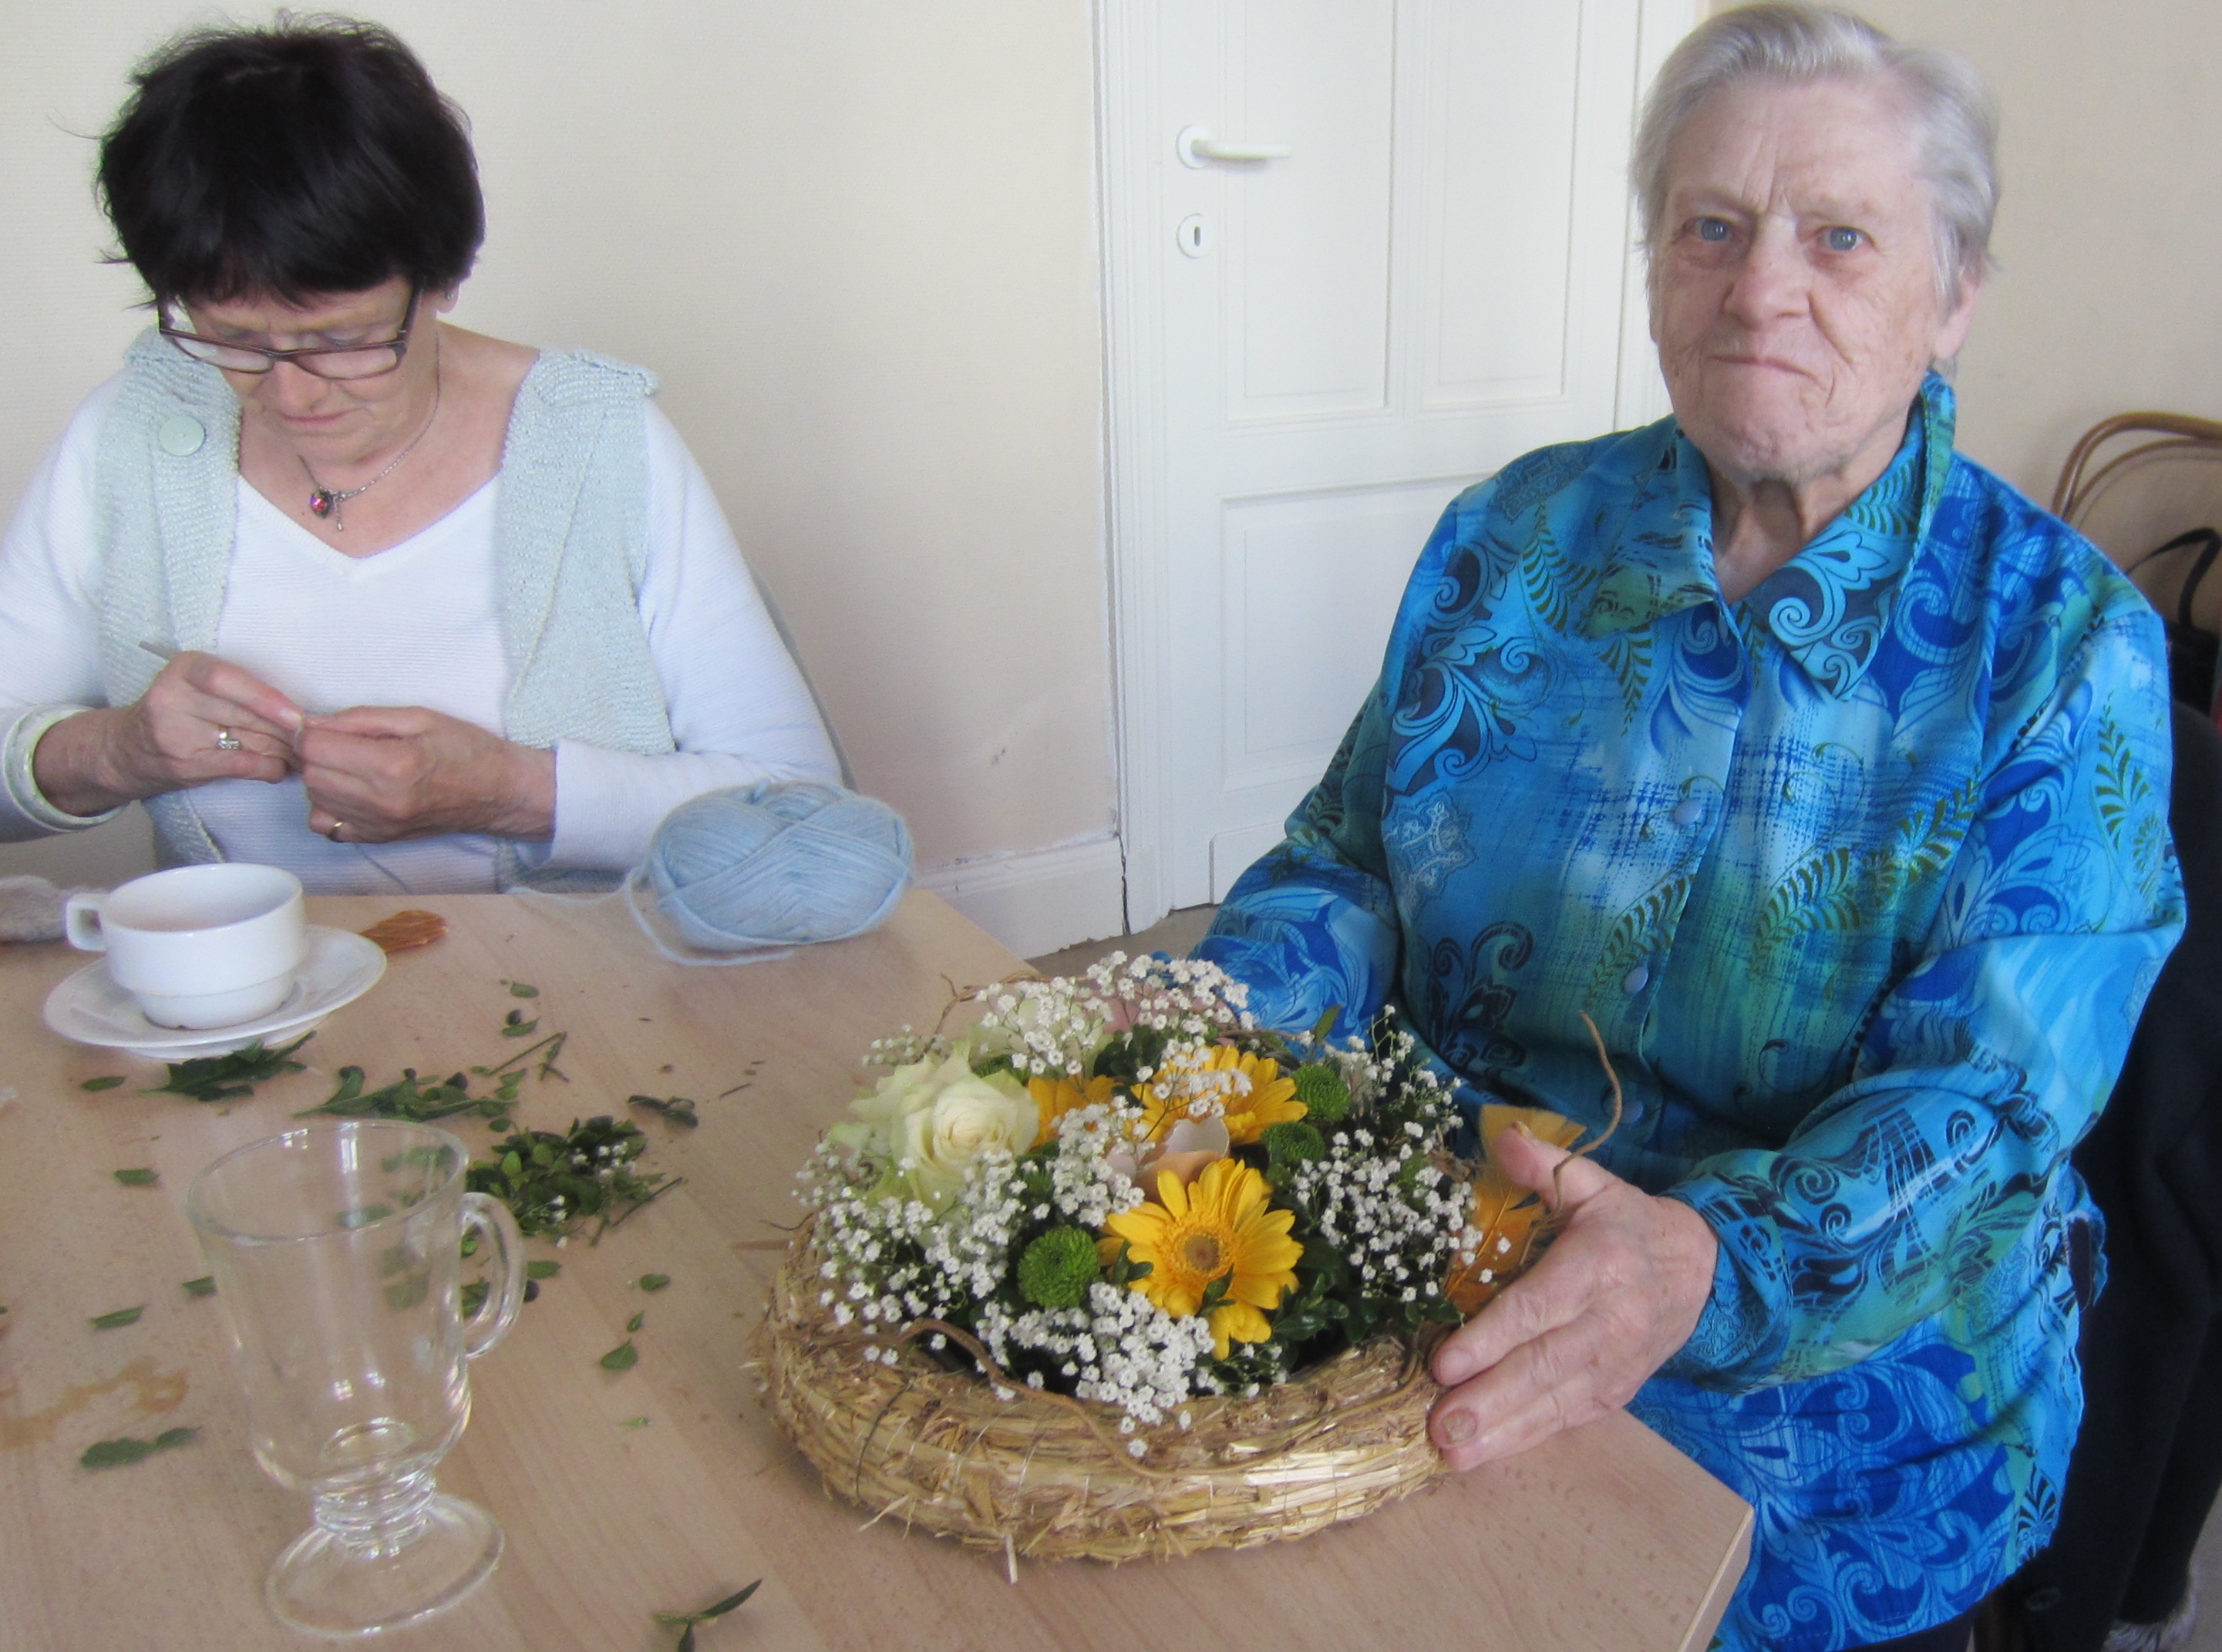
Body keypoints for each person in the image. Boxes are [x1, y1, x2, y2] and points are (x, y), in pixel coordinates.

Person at [1195, 6, 2182, 1650]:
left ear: (1954, 294)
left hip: (1843, 1402)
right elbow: (1348, 860)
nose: (1758, 288)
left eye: (1839, 237)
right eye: (1708, 227)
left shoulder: (2060, 646)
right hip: (1445, 1262)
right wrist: (1215, 1028)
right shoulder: (1511, 541)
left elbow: (1983, 1104)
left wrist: (1697, 1270)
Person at [0, 19, 840, 894]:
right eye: (233, 340)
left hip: (582, 1004)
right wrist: (117, 751)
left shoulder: (597, 444)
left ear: (440, 276)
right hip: (258, 1017)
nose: (293, 396)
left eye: (344, 339)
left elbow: (805, 810)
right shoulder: (132, 435)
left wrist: (512, 791)